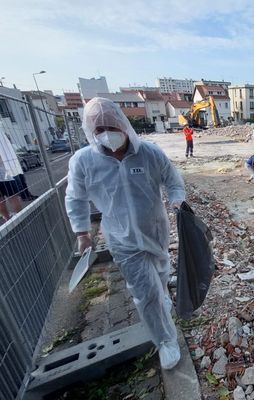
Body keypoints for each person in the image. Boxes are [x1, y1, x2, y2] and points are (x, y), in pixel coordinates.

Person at [65, 97, 185, 370]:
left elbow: (173, 180)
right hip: (121, 239)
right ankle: (166, 340)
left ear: (123, 123)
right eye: (98, 130)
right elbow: (75, 198)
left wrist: (177, 200)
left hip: (155, 231)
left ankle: (163, 292)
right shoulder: (84, 162)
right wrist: (82, 232)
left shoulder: (150, 153)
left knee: (161, 272)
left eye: (110, 125)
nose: (106, 133)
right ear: (90, 132)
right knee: (146, 293)